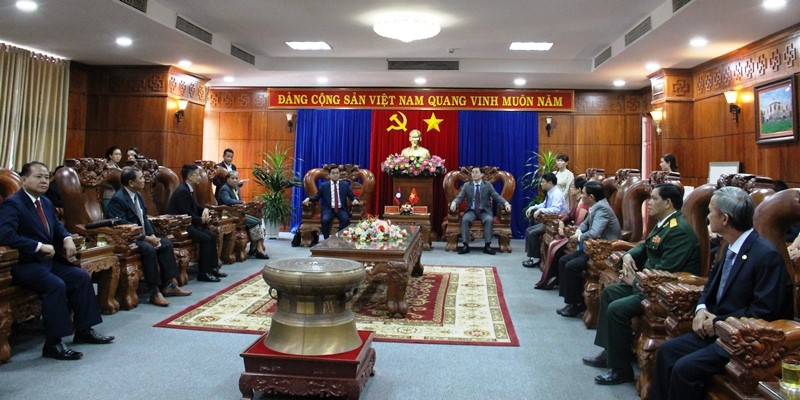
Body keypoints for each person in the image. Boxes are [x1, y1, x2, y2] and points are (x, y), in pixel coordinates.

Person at [650, 186, 793, 400]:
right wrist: (701, 309)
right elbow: (710, 285)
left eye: (710, 211)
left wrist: (718, 322)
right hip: (715, 329)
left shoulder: (765, 255)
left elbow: (765, 310)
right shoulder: (730, 246)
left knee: (684, 368)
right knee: (667, 351)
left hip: (740, 339)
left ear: (725, 219)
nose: (707, 216)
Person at [583, 184, 701, 385]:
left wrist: (636, 280)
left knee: (617, 308)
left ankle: (621, 370)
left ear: (668, 202)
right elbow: (646, 246)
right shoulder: (664, 223)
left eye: (654, 199)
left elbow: (666, 272)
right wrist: (629, 255)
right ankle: (611, 353)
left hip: (662, 292)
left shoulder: (679, 230)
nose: (649, 203)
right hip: (647, 283)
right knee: (610, 292)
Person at [0, 161, 114, 360]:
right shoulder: (14, 203)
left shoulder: (45, 202)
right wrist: (37, 246)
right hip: (25, 264)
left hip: (47, 262)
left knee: (80, 277)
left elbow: (57, 226)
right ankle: (54, 342)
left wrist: (66, 237)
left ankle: (84, 330)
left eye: (46, 177)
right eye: (38, 176)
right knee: (56, 285)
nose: (44, 181)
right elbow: (5, 235)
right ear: (24, 179)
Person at [105, 166, 192, 306]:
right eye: (140, 178)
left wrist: (152, 236)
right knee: (148, 249)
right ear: (131, 183)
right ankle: (154, 291)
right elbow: (121, 227)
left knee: (165, 244)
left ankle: (169, 285)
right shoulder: (118, 200)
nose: (144, 180)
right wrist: (146, 238)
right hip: (127, 239)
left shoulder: (137, 195)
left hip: (142, 235)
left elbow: (144, 219)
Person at [556, 180, 621, 317]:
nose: (581, 195)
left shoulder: (602, 208)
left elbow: (594, 233)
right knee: (563, 260)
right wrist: (578, 232)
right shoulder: (596, 206)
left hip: (604, 251)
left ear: (591, 196)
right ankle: (570, 299)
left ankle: (576, 304)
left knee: (571, 266)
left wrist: (578, 238)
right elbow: (585, 225)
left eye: (584, 193)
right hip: (593, 248)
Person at [166, 164, 225, 282]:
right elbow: (186, 213)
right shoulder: (182, 190)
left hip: (189, 223)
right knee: (205, 238)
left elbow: (195, 206)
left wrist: (205, 209)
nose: (200, 177)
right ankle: (203, 272)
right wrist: (201, 220)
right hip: (181, 226)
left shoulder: (188, 188)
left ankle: (212, 268)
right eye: (197, 175)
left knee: (212, 236)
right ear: (190, 176)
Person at [536, 176, 589, 289]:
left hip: (575, 235)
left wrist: (563, 230)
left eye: (572, 187)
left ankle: (551, 277)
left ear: (579, 189)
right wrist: (561, 222)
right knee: (553, 244)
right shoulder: (578, 201)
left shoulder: (584, 205)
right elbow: (569, 215)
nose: (570, 189)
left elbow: (578, 226)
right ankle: (551, 277)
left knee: (554, 245)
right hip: (569, 231)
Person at [449, 167, 512, 255]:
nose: (473, 174)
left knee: (489, 220)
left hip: (484, 211)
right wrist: (454, 203)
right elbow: (460, 197)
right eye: (473, 172)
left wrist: (505, 203)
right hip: (471, 210)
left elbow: (496, 196)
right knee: (465, 220)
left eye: (476, 172)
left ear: (482, 175)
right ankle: (465, 245)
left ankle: (487, 246)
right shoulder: (467, 185)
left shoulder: (488, 185)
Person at [216, 170, 269, 259]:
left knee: (259, 221)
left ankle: (254, 247)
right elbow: (227, 201)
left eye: (237, 178)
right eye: (233, 178)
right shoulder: (225, 188)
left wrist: (243, 204)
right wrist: (242, 202)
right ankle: (258, 249)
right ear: (228, 179)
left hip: (237, 213)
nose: (235, 180)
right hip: (226, 214)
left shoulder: (236, 188)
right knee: (255, 222)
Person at [522, 172, 568, 268]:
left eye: (543, 182)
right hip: (548, 221)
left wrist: (541, 210)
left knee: (532, 233)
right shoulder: (550, 192)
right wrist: (533, 207)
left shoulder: (557, 194)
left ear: (550, 182)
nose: (541, 184)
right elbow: (544, 204)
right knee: (529, 230)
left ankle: (536, 258)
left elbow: (556, 210)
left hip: (555, 223)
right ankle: (532, 256)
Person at [302, 167, 360, 239]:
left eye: (337, 173)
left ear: (339, 174)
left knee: (345, 219)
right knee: (325, 220)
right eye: (333, 173)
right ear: (329, 175)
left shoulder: (345, 185)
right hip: (328, 209)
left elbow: (352, 196)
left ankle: (338, 238)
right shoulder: (324, 186)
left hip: (341, 209)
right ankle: (326, 239)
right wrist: (308, 199)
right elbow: (316, 197)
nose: (335, 175)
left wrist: (354, 199)